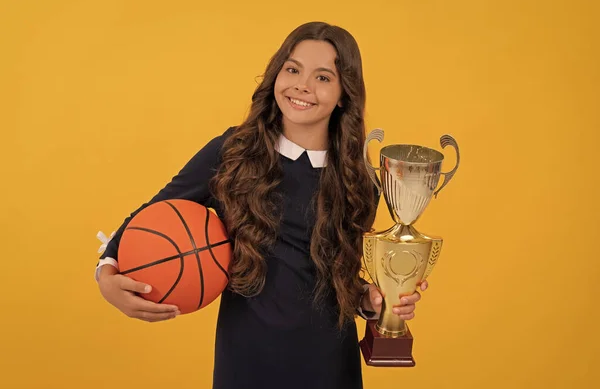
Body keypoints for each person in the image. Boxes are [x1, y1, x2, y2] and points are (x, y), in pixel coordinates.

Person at [95, 21, 428, 389]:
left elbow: (342, 278)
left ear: (344, 94)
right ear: (275, 75)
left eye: (322, 77)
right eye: (292, 69)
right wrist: (106, 274)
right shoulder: (233, 152)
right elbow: (152, 215)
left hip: (329, 366)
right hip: (245, 362)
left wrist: (375, 301)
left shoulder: (360, 178)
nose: (302, 85)